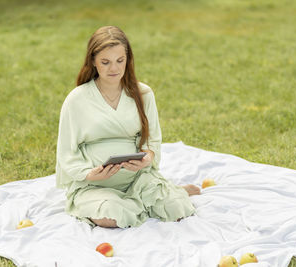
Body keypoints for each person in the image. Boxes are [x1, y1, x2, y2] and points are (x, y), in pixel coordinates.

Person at [55, 25, 200, 229]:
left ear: (128, 60)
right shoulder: (76, 100)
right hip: (95, 186)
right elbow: (66, 151)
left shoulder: (144, 94)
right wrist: (89, 174)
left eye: (119, 61)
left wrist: (147, 158)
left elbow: (152, 140)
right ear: (93, 62)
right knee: (111, 217)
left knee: (177, 208)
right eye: (105, 62)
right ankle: (150, 199)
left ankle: (168, 194)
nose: (113, 68)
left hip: (138, 178)